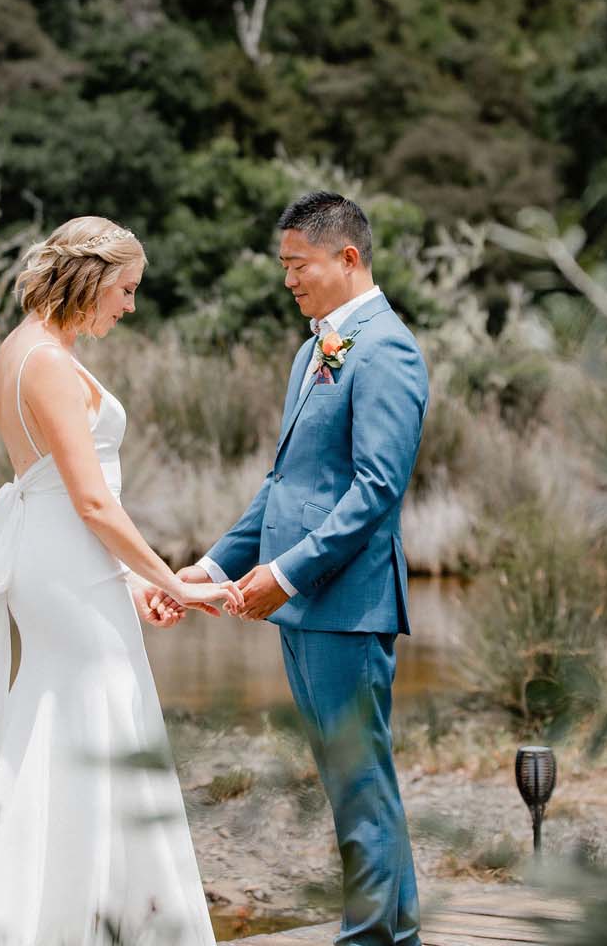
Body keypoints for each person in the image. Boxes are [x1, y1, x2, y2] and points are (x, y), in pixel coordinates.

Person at [0, 215, 242, 946]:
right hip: (64, 564)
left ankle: (75, 915)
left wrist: (132, 586)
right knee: (99, 716)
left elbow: (73, 499)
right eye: (126, 290)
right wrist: (177, 580)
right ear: (92, 277)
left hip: (64, 565)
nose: (129, 307)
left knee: (69, 724)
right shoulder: (44, 361)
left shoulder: (24, 350)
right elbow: (93, 500)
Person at [158, 190, 428, 946]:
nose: (288, 280)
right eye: (283, 266)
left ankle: (372, 939)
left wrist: (289, 573)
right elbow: (285, 486)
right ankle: (393, 936)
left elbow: (377, 490)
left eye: (297, 264)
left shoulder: (388, 348)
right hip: (307, 607)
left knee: (359, 782)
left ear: (347, 258)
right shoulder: (314, 349)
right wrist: (210, 566)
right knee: (354, 781)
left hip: (348, 604)